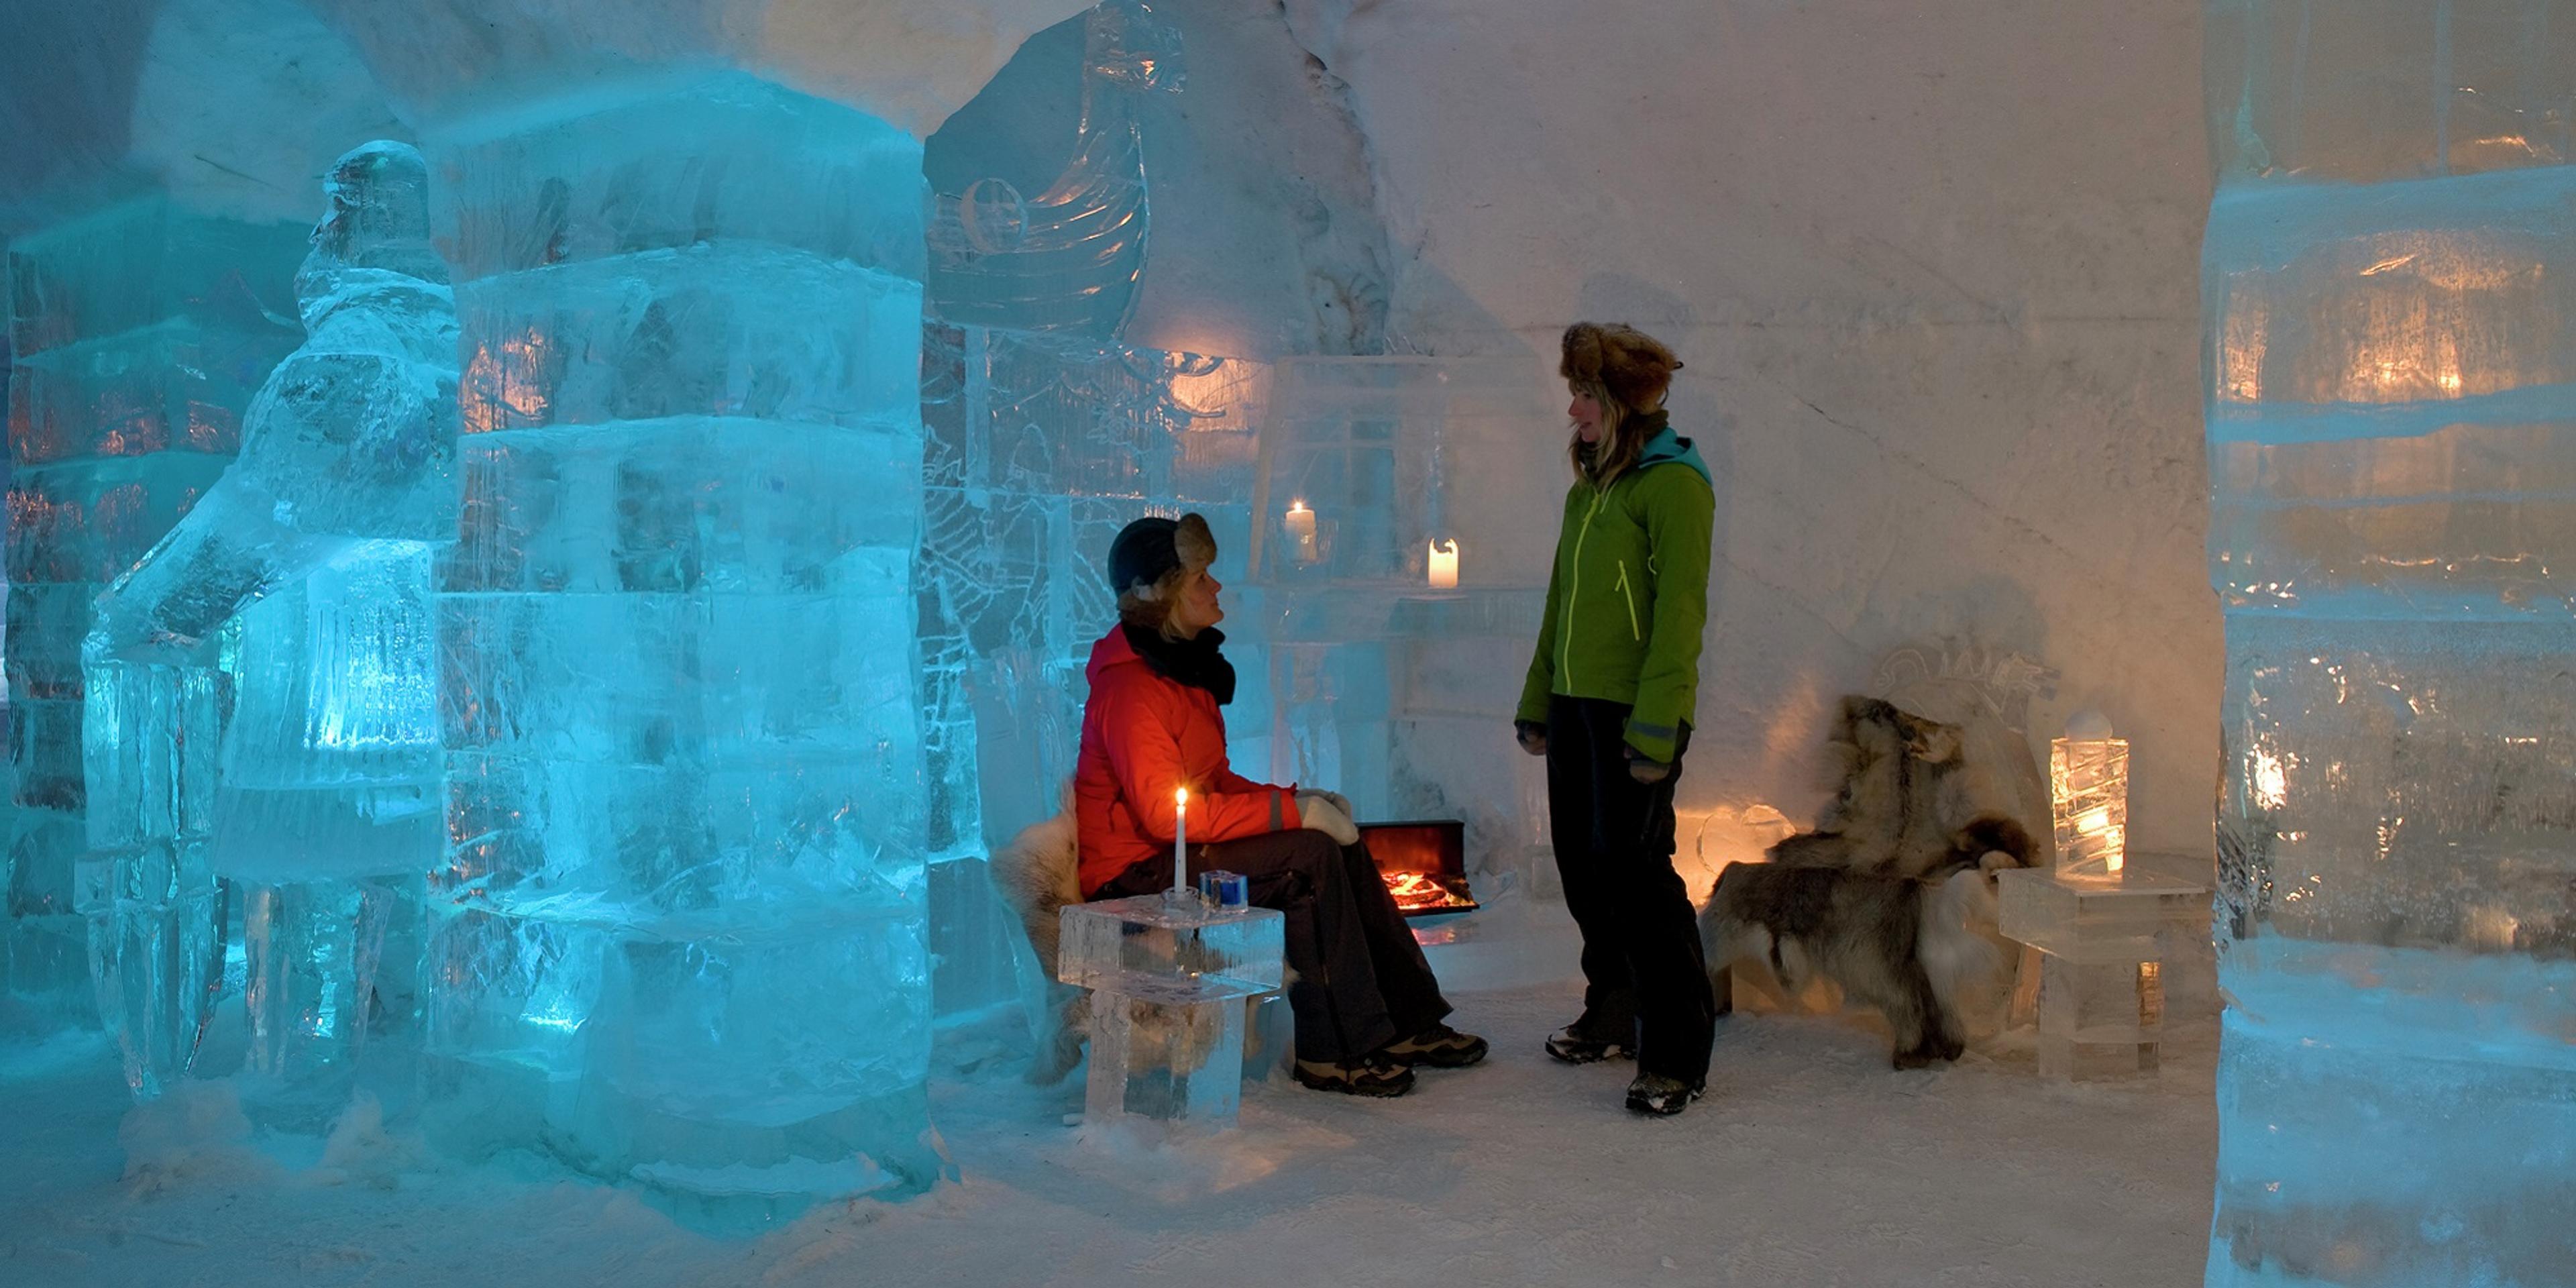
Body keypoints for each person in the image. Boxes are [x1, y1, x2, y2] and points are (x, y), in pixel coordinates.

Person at [1075, 513, 1486, 1097]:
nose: (1216, 587)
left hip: (1173, 854)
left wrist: (1298, 800)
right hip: (1135, 875)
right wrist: (1294, 818)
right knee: (1307, 859)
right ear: (1162, 597)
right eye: (1200, 579)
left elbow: (1213, 782)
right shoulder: (1132, 689)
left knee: (1340, 843)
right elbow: (1166, 817)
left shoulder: (1181, 673)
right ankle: (1333, 1052)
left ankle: (1404, 1021)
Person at [1515, 322, 1718, 1116]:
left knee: (1637, 877)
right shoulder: (1589, 493)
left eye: (1585, 396)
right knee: (1583, 867)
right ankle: (1613, 1009)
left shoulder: (1674, 485)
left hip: (1637, 713)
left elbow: (1680, 615)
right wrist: (1539, 700)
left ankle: (1676, 1052)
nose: (1573, 411)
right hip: (1576, 705)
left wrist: (1658, 725)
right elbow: (1560, 604)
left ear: (1623, 402)